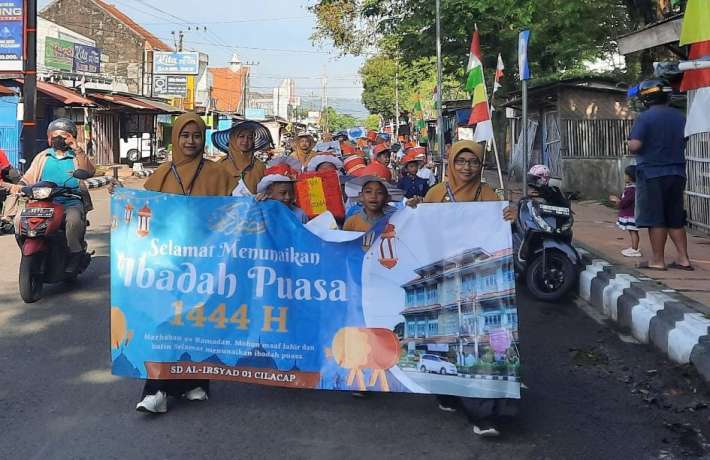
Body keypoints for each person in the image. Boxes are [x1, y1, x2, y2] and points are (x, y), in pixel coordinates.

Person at [408, 140, 517, 437]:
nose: (466, 168)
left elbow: (503, 232)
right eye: (461, 161)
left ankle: (484, 414)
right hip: (442, 279)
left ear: (481, 166)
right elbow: (417, 230)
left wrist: (511, 217)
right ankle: (447, 392)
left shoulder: (488, 194)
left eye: (473, 162)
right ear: (451, 163)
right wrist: (414, 210)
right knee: (445, 340)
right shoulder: (435, 193)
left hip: (476, 280)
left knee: (476, 340)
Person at [138, 113, 233, 414]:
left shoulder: (219, 174)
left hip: (206, 261)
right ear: (175, 138)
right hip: (167, 261)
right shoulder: (161, 174)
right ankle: (156, 391)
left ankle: (196, 382)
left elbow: (237, 209)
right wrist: (121, 200)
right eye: (185, 135)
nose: (190, 141)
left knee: (197, 321)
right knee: (164, 321)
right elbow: (145, 211)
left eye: (196, 136)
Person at [0, 118, 95, 272]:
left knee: (73, 220)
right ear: (49, 137)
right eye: (55, 135)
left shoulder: (76, 156)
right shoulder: (43, 156)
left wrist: (77, 148)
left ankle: (75, 253)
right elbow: (28, 178)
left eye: (63, 136)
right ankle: (28, 250)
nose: (59, 139)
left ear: (71, 137)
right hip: (44, 200)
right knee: (19, 220)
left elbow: (89, 171)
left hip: (70, 200)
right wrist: (20, 187)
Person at [628, 79, 692, 271]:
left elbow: (635, 145)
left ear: (646, 98)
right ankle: (683, 259)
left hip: (653, 174)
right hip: (677, 173)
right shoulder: (681, 117)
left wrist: (629, 143)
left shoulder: (645, 117)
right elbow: (684, 140)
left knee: (656, 218)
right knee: (675, 217)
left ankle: (657, 260)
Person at [212, 120, 273, 196]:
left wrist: (264, 196)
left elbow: (268, 192)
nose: (245, 140)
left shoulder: (260, 167)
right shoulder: (220, 166)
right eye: (241, 136)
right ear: (233, 139)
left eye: (250, 137)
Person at [610, 165, 641, 258]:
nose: (624, 177)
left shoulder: (631, 189)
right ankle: (634, 248)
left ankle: (635, 249)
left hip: (630, 215)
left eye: (626, 175)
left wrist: (617, 201)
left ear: (630, 176)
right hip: (631, 214)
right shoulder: (631, 188)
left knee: (633, 231)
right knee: (632, 231)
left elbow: (625, 202)